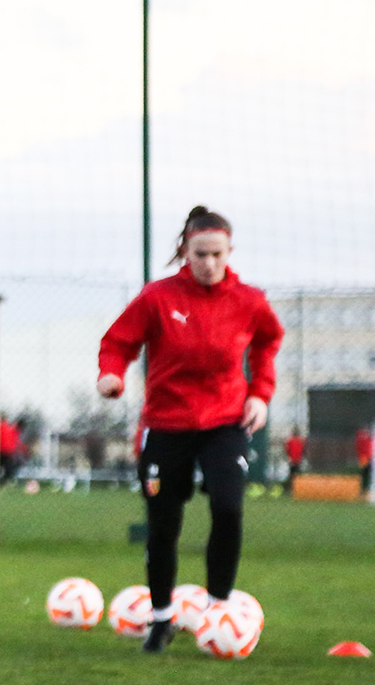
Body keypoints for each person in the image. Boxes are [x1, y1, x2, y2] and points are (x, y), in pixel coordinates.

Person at [98, 206, 283, 653]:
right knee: (164, 524)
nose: (209, 263)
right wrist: (112, 374)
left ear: (229, 252)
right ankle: (161, 618)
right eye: (200, 254)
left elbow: (267, 342)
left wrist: (260, 393)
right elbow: (118, 341)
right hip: (166, 424)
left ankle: (218, 609)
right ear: (186, 250)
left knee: (228, 507)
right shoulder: (158, 297)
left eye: (217, 254)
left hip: (225, 421)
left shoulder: (249, 301)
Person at [0, 414, 22, 483]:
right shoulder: (9, 427)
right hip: (9, 451)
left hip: (0, 450)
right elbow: (15, 438)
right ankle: (5, 478)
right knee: (7, 466)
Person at [283, 427, 306, 497]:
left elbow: (287, 449)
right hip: (298, 460)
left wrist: (288, 457)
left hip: (292, 460)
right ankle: (296, 488)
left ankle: (291, 488)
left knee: (292, 474)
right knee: (297, 474)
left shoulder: (290, 441)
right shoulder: (300, 441)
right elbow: (302, 450)